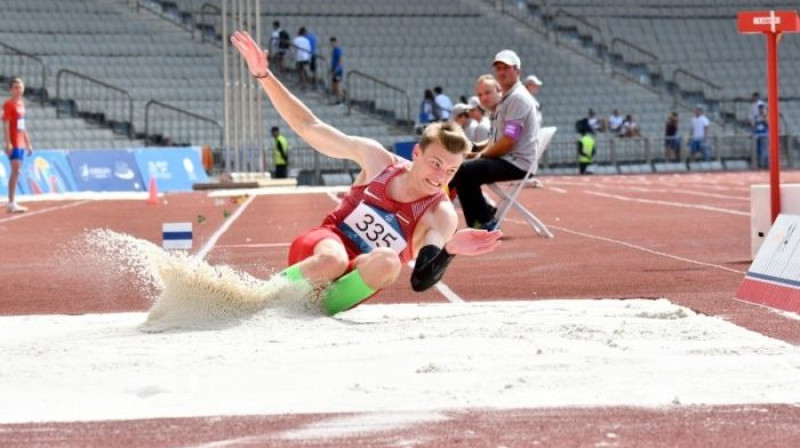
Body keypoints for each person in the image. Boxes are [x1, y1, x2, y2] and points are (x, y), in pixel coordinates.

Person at [229, 31, 502, 315]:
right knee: (333, 261)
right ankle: (253, 301)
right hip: (323, 246)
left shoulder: (440, 215)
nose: (440, 177)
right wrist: (264, 76)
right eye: (435, 163)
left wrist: (450, 251)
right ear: (417, 154)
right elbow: (311, 127)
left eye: (451, 170)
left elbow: (421, 280)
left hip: (358, 275)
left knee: (389, 263)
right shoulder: (378, 162)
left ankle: (316, 309)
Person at [452, 50, 541, 230]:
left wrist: (481, 155)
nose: (501, 72)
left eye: (506, 68)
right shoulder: (508, 99)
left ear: (518, 71)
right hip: (510, 159)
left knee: (463, 171)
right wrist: (475, 152)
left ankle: (482, 224)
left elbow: (509, 140)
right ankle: (485, 214)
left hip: (517, 163)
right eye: (498, 68)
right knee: (459, 168)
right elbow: (497, 139)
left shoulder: (518, 99)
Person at [2, 78, 32, 213]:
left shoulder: (21, 104)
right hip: (13, 141)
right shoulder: (8, 105)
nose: (18, 90)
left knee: (17, 171)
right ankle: (11, 202)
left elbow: (22, 125)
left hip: (20, 141)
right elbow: (6, 124)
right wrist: (7, 142)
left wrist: (28, 142)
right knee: (16, 170)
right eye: (15, 87)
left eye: (20, 87)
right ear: (11, 89)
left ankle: (12, 201)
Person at [329, 36, 344, 104]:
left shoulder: (338, 50)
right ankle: (339, 97)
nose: (331, 44)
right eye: (331, 43)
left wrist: (336, 69)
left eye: (332, 42)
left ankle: (340, 98)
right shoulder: (334, 50)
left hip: (338, 71)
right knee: (334, 85)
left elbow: (340, 60)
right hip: (334, 69)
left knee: (337, 85)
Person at [753, 104, 768, 169]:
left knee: (764, 150)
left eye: (762, 109)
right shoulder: (757, 116)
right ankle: (760, 164)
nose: (760, 110)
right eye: (759, 109)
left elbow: (768, 124)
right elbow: (755, 125)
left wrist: (764, 118)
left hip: (764, 134)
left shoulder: (766, 116)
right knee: (759, 150)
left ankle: (765, 164)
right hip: (758, 135)